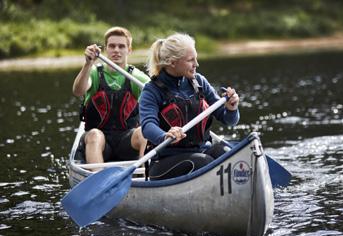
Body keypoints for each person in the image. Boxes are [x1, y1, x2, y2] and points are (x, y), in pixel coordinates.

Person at [139, 33, 240, 180]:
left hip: (201, 152)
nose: (196, 64)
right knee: (204, 162)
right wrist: (165, 135)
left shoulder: (199, 82)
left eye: (196, 58)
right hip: (165, 163)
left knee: (227, 152)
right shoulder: (152, 90)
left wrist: (231, 108)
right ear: (173, 63)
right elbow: (147, 126)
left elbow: (229, 120)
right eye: (190, 60)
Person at [72, 26, 149, 170]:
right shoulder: (94, 72)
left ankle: (146, 175)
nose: (116, 50)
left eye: (121, 46)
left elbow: (158, 98)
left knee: (145, 131)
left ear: (129, 50)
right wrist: (88, 63)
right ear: (106, 49)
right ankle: (99, 179)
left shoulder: (136, 77)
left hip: (127, 140)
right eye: (112, 46)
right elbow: (78, 91)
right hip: (99, 142)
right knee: (94, 135)